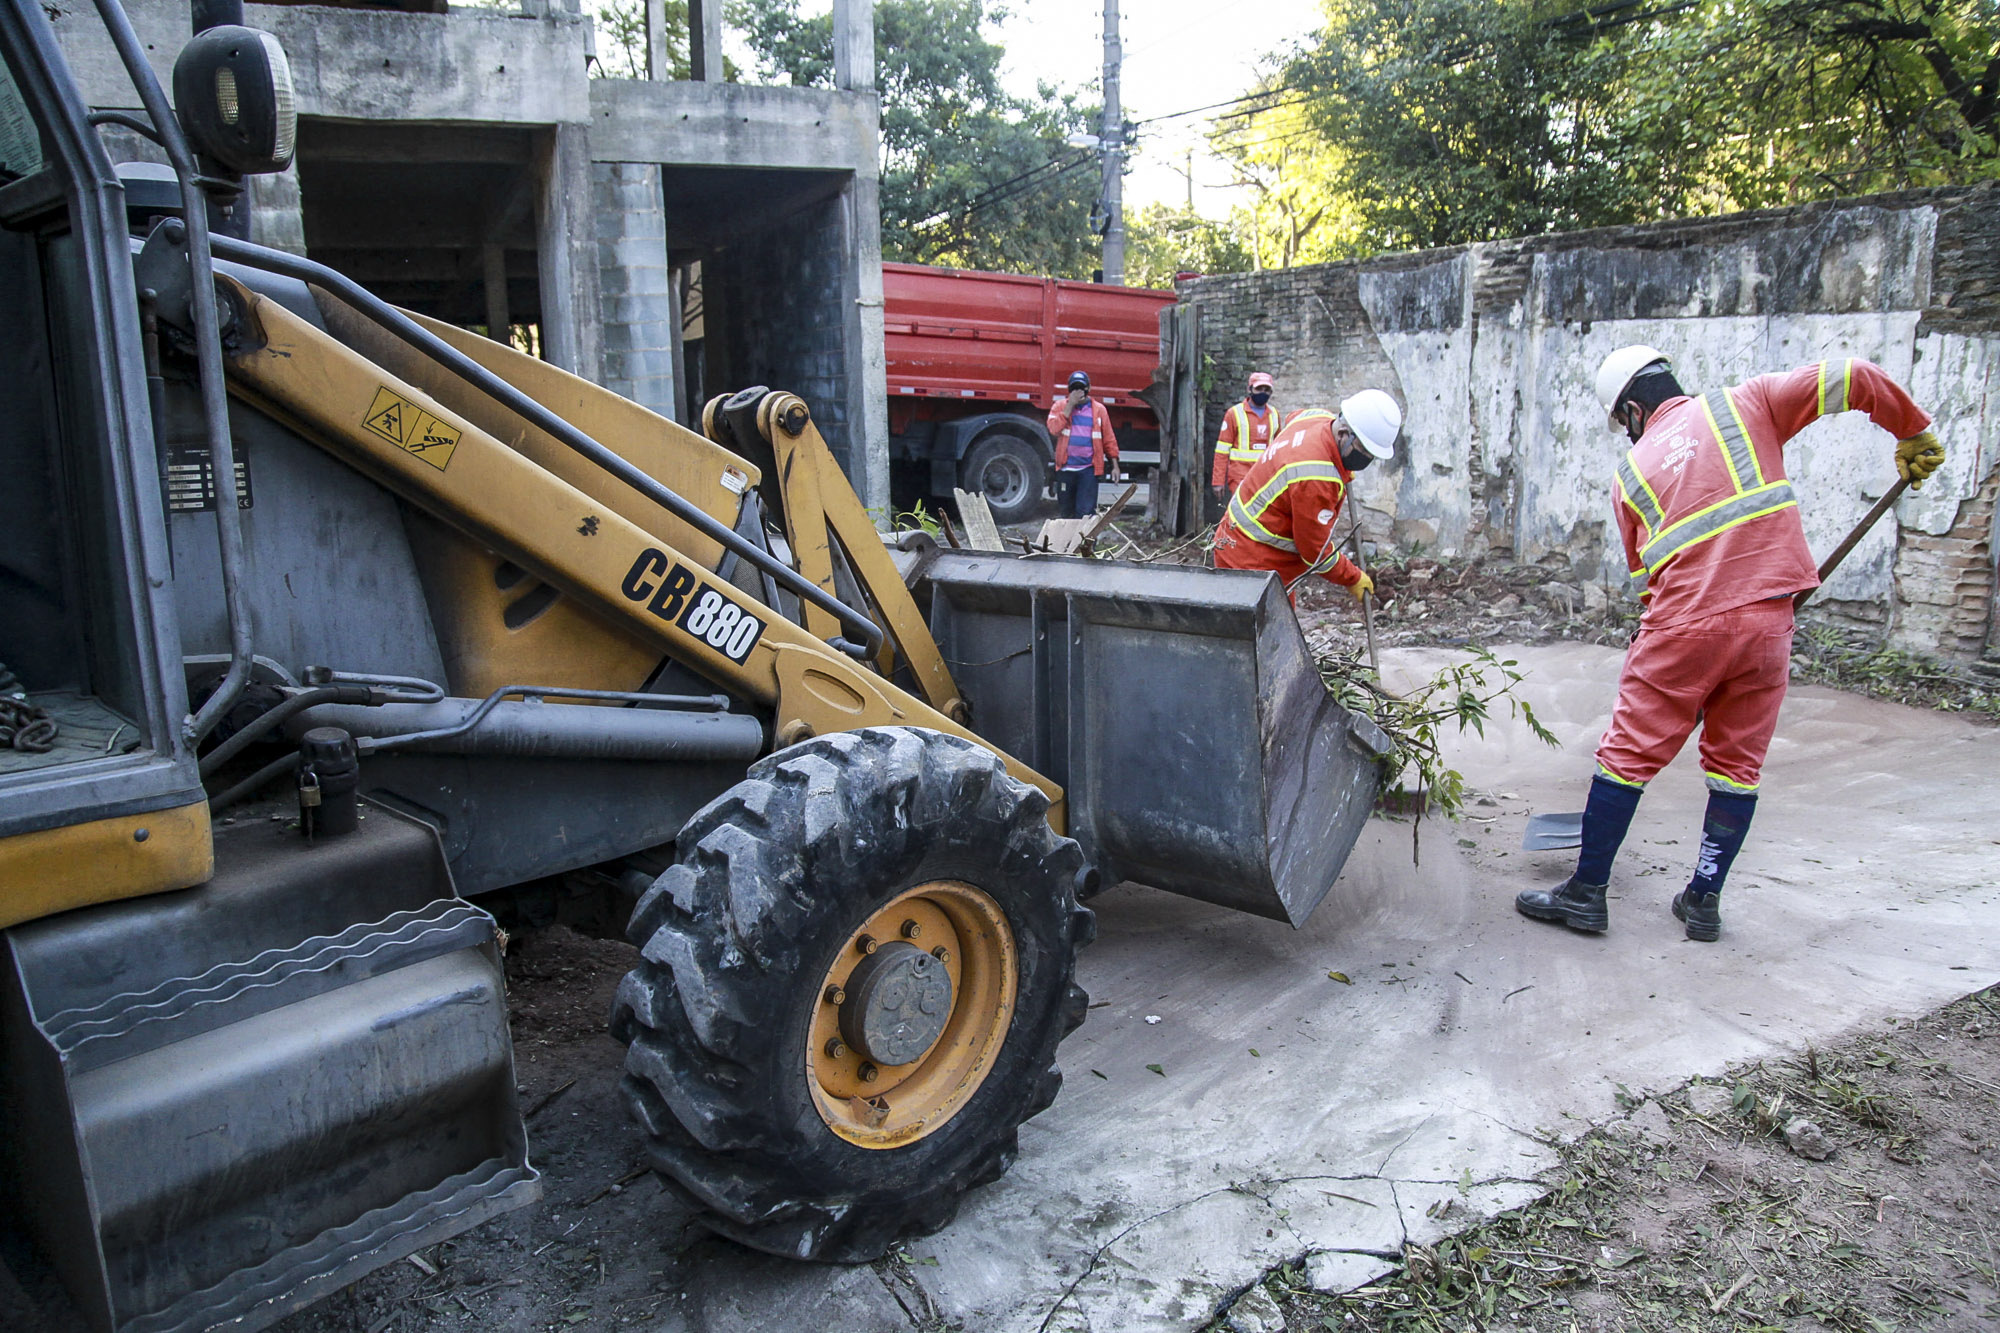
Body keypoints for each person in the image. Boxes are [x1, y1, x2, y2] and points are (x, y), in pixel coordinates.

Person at [1517, 346, 1944, 942]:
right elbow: (1854, 376)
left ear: (1635, 411)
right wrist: (1913, 431)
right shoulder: (1750, 404)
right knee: (1737, 767)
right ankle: (1703, 900)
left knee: (1627, 756)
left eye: (1624, 424)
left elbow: (1646, 583)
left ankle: (1586, 893)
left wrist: (1679, 661)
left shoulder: (1631, 474)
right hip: (1768, 625)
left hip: (1682, 624)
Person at [1212, 389, 1401, 601]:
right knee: (1267, 630)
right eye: (1363, 450)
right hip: (1251, 559)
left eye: (1370, 455)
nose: (1365, 459)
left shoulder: (1317, 417)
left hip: (1249, 545)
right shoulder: (1316, 477)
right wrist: (1352, 577)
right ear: (1343, 434)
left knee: (1281, 624)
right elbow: (1314, 551)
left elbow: (1293, 417)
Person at [1044, 370, 1121, 519]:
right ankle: (1069, 542)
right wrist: (1069, 406)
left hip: (1088, 471)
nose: (1078, 392)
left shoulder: (1098, 410)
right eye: (1074, 388)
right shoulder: (1059, 406)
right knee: (1067, 513)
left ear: (1088, 389)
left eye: (1081, 388)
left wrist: (1115, 465)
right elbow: (1054, 429)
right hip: (1066, 470)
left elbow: (1109, 439)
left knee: (1086, 514)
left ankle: (1086, 542)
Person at [1212, 372, 1280, 503]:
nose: (1263, 393)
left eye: (1267, 390)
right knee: (1242, 515)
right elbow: (1222, 451)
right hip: (1240, 477)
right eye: (1259, 389)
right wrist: (1218, 481)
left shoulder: (1274, 414)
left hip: (1266, 477)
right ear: (1249, 389)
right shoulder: (1234, 413)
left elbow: (1278, 449)